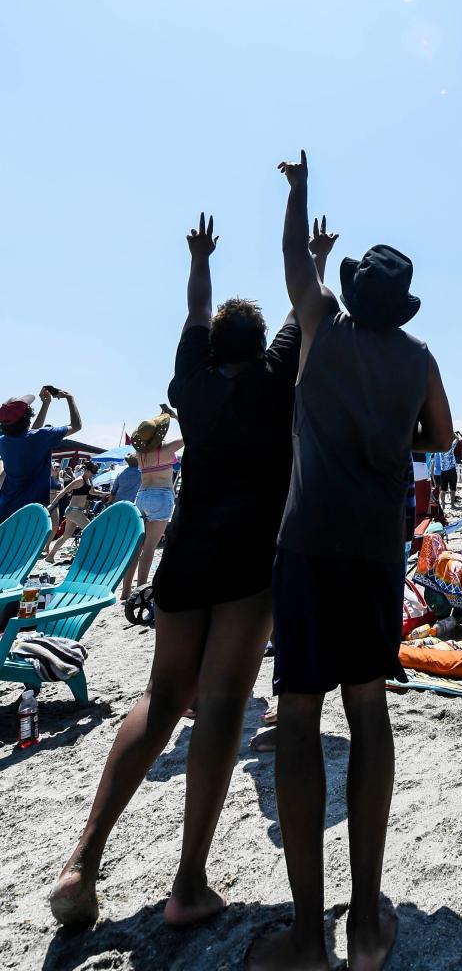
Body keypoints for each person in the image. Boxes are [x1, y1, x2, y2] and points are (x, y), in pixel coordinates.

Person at [51, 208, 308, 931]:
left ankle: (82, 860)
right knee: (223, 703)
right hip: (248, 558)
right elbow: (302, 299)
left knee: (162, 698)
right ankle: (188, 883)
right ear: (261, 346)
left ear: (209, 347)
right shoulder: (273, 375)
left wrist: (200, 257)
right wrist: (310, 247)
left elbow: (197, 306)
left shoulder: (189, 384)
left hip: (187, 552)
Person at [249, 150, 453, 971]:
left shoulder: (322, 328)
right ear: (400, 305)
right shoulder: (419, 358)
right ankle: (366, 923)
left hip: (305, 543)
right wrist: (396, 434)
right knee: (369, 711)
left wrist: (299, 192)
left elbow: (295, 259)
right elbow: (439, 438)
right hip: (373, 548)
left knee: (298, 712)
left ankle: (307, 934)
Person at [120, 409, 184, 603]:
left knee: (136, 547)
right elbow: (191, 432)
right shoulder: (166, 450)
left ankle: (125, 590)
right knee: (149, 548)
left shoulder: (139, 453)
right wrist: (176, 417)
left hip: (141, 495)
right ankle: (141, 592)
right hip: (161, 495)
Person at [0, 386, 82, 524]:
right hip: (31, 512)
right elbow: (76, 425)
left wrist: (46, 404)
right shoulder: (41, 436)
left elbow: (31, 434)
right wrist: (70, 398)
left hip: (5, 508)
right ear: (27, 417)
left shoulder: (3, 442)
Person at [45, 458, 106, 563]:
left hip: (76, 511)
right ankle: (88, 556)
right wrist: (52, 504)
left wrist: (103, 493)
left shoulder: (88, 480)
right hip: (73, 511)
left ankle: (50, 556)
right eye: (92, 472)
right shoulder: (79, 480)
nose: (93, 474)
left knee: (66, 536)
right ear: (86, 470)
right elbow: (63, 491)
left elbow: (91, 491)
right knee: (92, 530)